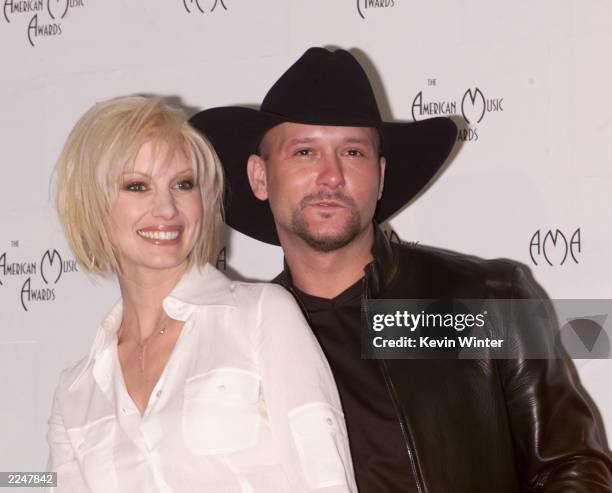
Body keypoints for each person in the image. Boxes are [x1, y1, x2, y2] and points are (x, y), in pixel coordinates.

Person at [190, 47, 612, 492]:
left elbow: (571, 464)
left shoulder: (481, 300)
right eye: (305, 152)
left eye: (352, 152)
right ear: (259, 177)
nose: (331, 176)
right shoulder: (245, 340)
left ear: (380, 175)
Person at [46, 95, 358, 493]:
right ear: (92, 205)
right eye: (137, 186)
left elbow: (326, 481)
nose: (167, 208)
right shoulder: (77, 391)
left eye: (183, 184)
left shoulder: (261, 316)